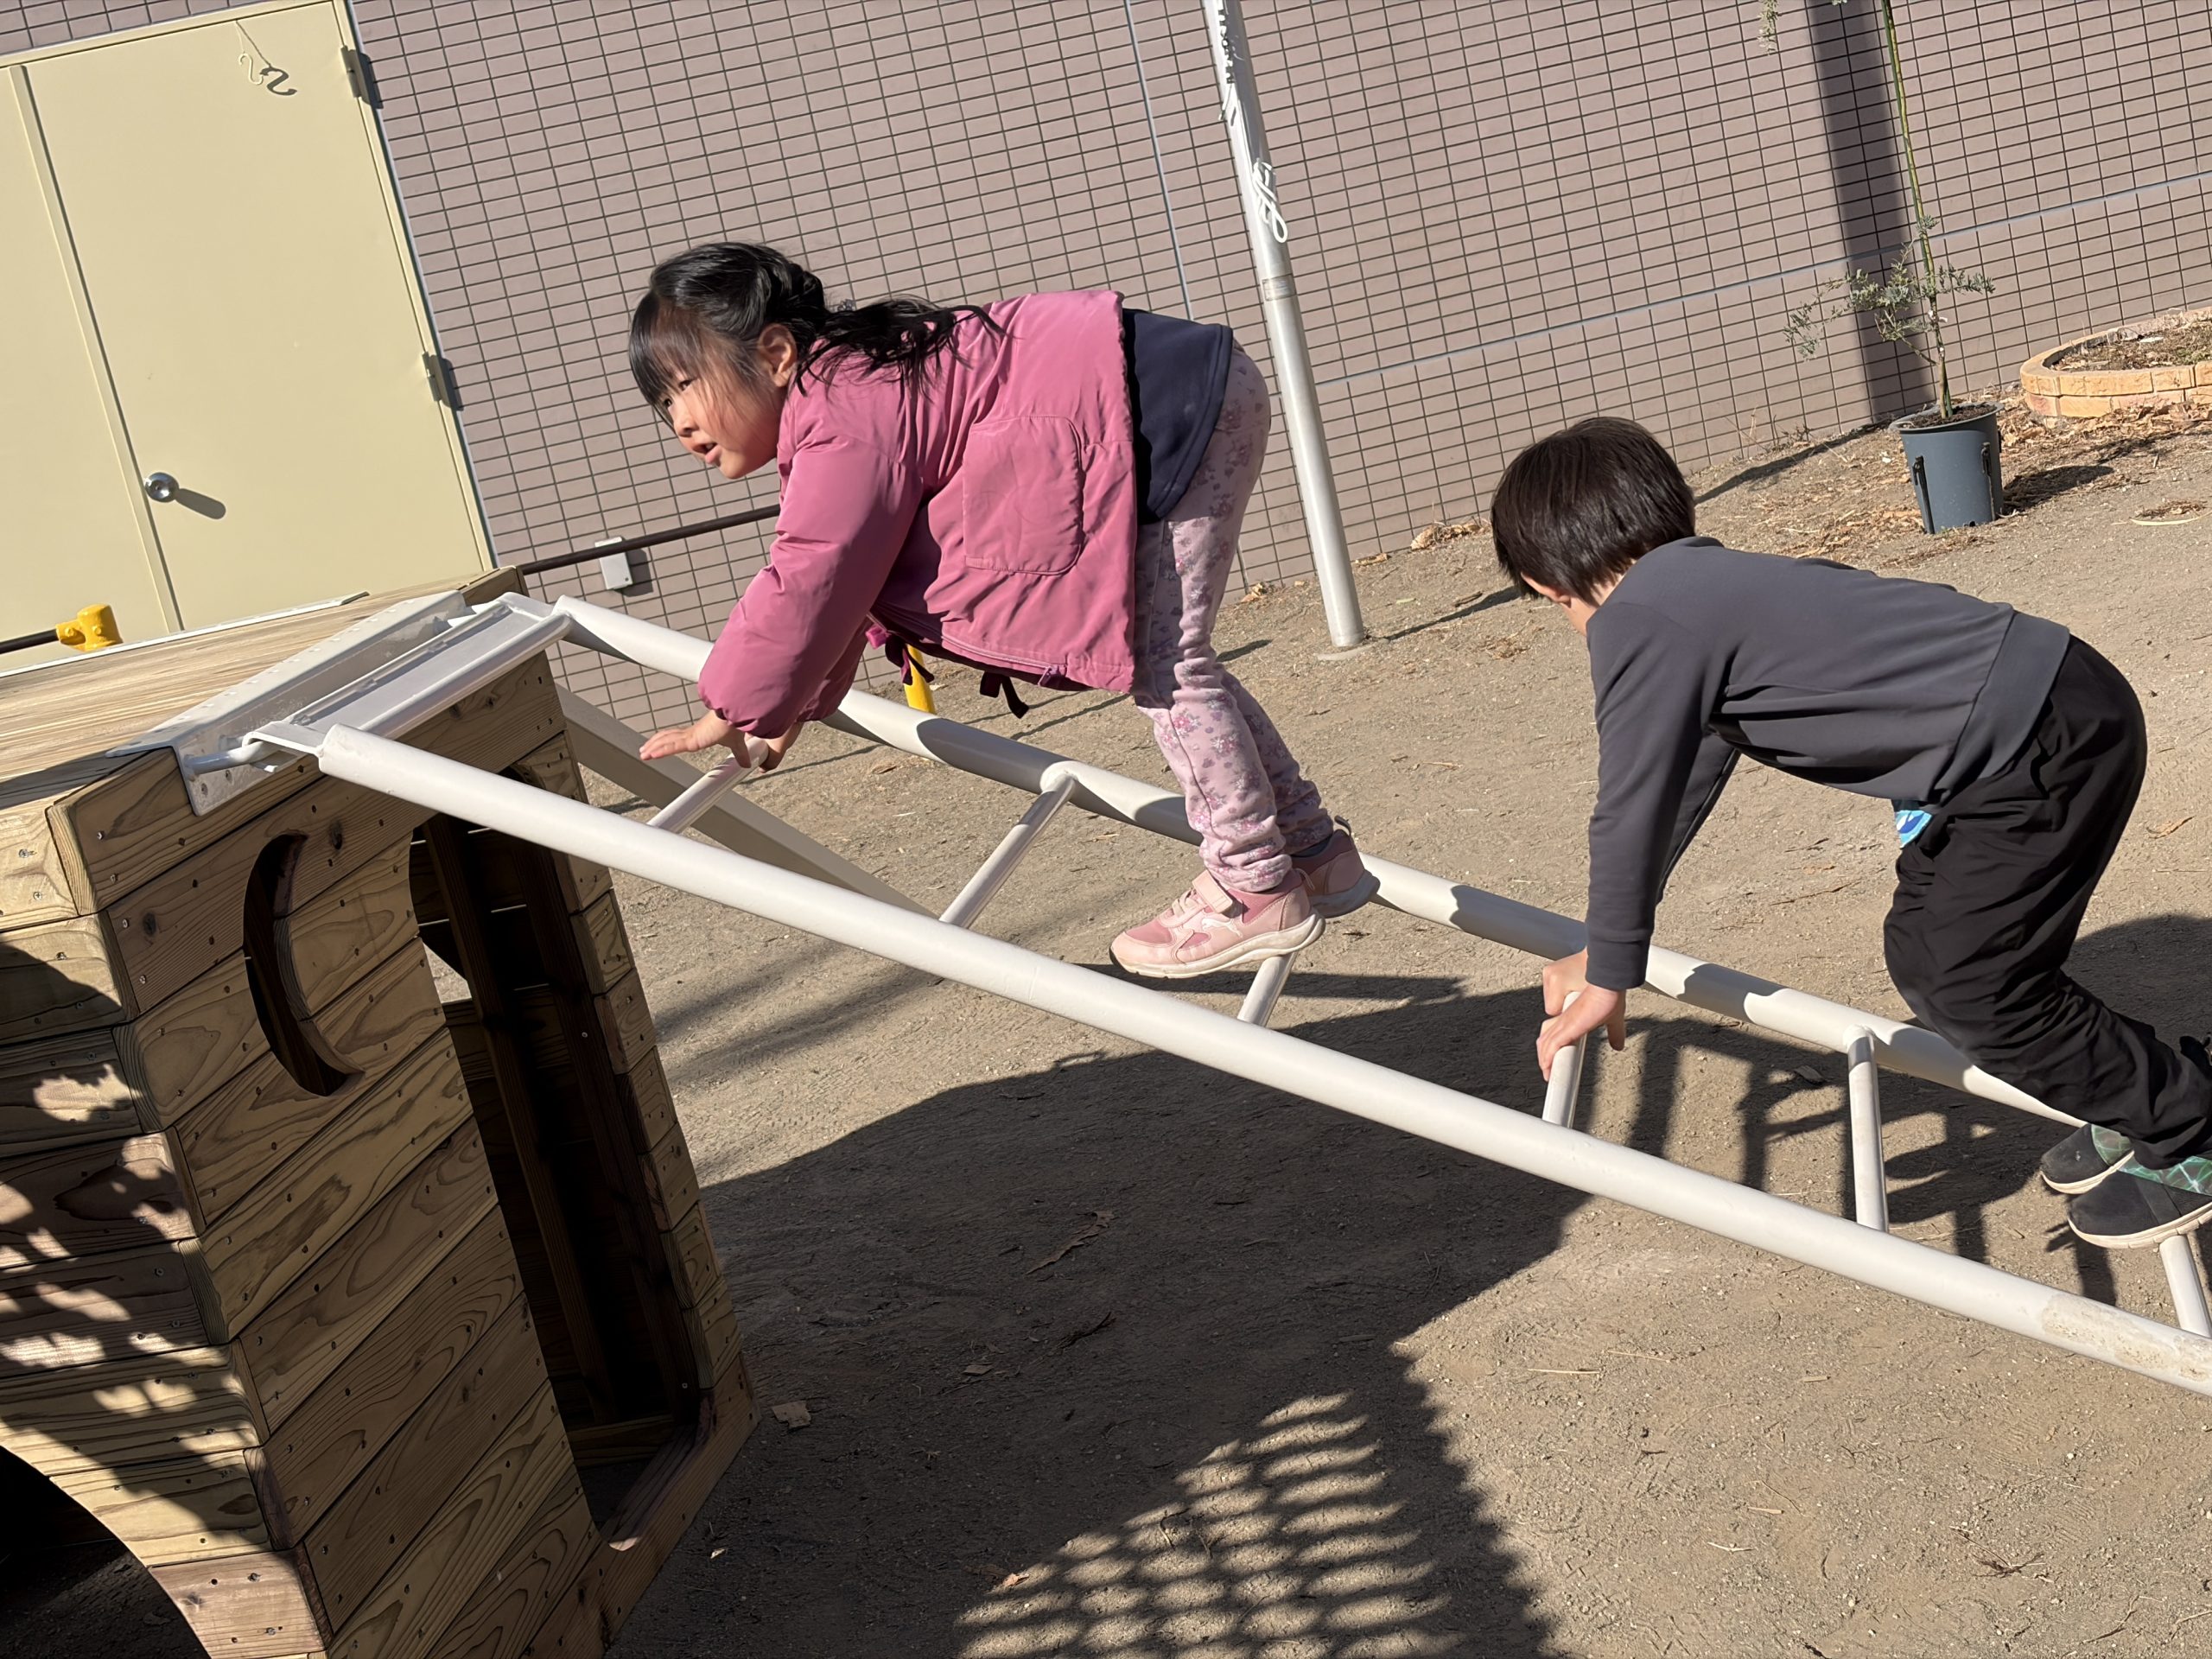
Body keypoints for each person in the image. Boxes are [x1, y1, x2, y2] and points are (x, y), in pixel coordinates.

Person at [1488, 415, 2212, 1249]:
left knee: (1966, 977)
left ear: (1548, 582)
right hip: (2054, 711)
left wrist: (1610, 968)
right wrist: (1608, 942)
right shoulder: (1711, 584)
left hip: (2034, 746)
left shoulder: (1637, 618)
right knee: (1932, 948)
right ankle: (2139, 1089)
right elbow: (1681, 776)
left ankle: (2188, 1124)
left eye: (1556, 606)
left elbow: (1629, 803)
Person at [628, 243, 1374, 976]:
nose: (678, 421)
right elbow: (844, 582)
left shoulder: (842, 409)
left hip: (1164, 412)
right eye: (662, 404)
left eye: (686, 384)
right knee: (1176, 655)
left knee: (1167, 664)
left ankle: (1253, 885)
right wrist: (785, 705)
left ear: (775, 354)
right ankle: (1312, 849)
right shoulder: (856, 382)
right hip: (1182, 391)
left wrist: (732, 703)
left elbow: (814, 571)